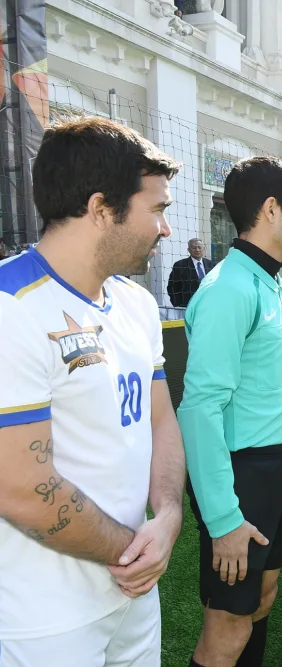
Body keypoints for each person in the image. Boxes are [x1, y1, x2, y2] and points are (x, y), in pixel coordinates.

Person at [0, 117, 186, 665]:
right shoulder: (11, 309)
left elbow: (159, 421)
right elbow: (21, 487)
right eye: (157, 209)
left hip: (133, 588)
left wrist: (169, 515)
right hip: (46, 617)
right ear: (102, 209)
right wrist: (133, 552)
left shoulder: (136, 303)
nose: (166, 228)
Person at [178, 156, 282, 667]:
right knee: (228, 627)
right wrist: (223, 519)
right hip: (239, 475)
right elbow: (200, 409)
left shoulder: (272, 280)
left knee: (262, 600)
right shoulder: (228, 290)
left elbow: (269, 390)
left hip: (274, 467)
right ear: (270, 208)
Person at [167, 237, 215, 307]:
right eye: (194, 248)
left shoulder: (212, 265)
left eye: (199, 247)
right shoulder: (180, 265)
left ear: (203, 249)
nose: (197, 250)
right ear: (188, 250)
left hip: (209, 306)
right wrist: (179, 305)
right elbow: (172, 287)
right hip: (187, 307)